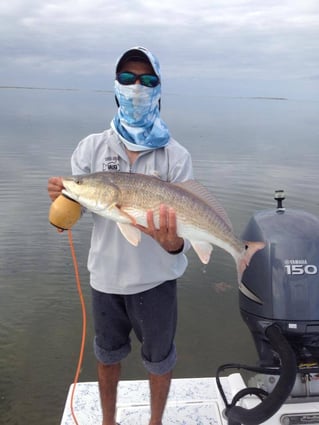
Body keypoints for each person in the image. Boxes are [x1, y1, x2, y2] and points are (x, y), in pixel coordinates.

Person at [48, 46, 194, 425]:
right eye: (127, 79)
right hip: (106, 279)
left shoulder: (175, 157)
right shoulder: (91, 148)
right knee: (107, 355)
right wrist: (65, 200)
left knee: (160, 359)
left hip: (157, 281)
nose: (136, 88)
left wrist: (173, 243)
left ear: (159, 89)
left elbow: (185, 236)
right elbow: (74, 211)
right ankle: (108, 421)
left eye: (147, 80)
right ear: (115, 87)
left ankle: (155, 422)